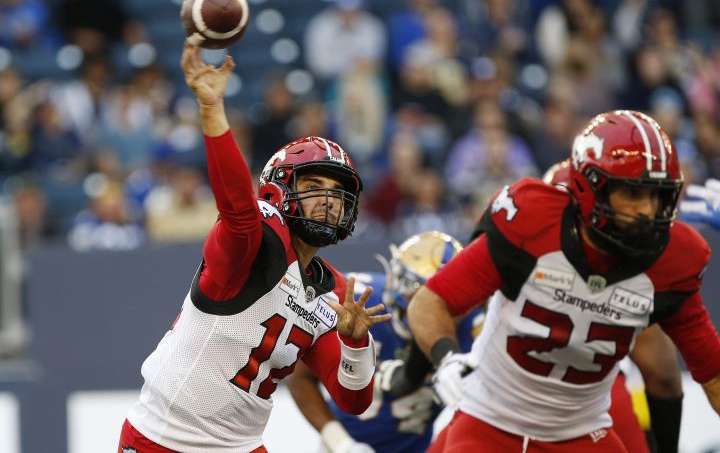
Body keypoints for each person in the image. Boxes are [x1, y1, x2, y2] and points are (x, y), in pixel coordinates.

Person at [117, 42, 391, 453]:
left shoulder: (333, 292)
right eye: (313, 186)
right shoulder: (255, 242)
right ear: (277, 192)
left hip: (241, 445)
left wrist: (354, 343)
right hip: (165, 438)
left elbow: (355, 400)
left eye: (337, 191)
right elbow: (238, 211)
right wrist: (212, 111)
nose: (329, 200)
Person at [408, 110, 720, 452]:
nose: (647, 210)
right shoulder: (531, 223)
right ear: (590, 188)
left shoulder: (671, 260)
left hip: (583, 431)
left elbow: (712, 374)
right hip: (492, 420)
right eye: (633, 194)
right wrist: (447, 358)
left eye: (657, 195)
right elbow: (430, 301)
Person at [286, 231, 485, 453]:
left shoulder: (472, 327)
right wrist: (341, 443)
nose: (427, 308)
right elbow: (300, 377)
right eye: (420, 297)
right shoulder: (363, 307)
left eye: (442, 300)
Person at [544, 159, 683, 453]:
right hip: (597, 404)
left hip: (507, 406)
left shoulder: (516, 253)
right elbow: (664, 378)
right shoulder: (634, 279)